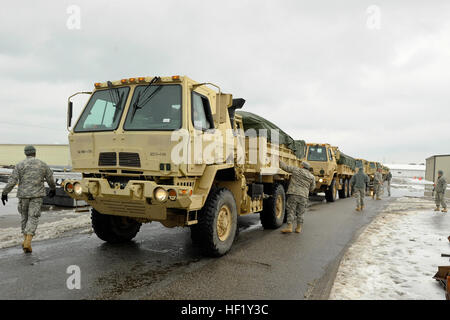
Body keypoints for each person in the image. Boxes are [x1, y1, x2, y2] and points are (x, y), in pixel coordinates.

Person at [1, 145, 56, 253]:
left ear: (25, 153)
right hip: (37, 196)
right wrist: (53, 189)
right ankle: (28, 242)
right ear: (34, 153)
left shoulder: (19, 165)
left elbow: (12, 181)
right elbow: (50, 178)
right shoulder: (42, 164)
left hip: (23, 196)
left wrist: (4, 193)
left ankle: (25, 240)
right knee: (33, 217)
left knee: (24, 217)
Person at [279, 160, 316, 234]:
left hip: (293, 193)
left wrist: (279, 160)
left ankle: (289, 227)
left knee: (291, 210)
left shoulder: (296, 170)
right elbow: (312, 188)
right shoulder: (312, 177)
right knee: (301, 212)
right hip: (304, 196)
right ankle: (298, 228)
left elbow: (285, 167)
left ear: (302, 166)